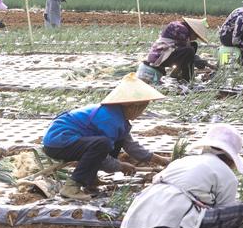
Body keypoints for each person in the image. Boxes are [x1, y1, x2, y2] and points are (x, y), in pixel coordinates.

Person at [118, 123, 243, 228]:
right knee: (240, 213)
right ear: (231, 158)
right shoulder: (227, 175)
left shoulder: (183, 162)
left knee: (194, 216)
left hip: (133, 226)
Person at [42, 73, 171, 201]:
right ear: (132, 106)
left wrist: (162, 160)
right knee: (102, 144)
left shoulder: (118, 117)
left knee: (115, 140)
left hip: (71, 141)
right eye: (142, 108)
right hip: (59, 142)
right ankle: (71, 187)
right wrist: (120, 166)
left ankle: (91, 179)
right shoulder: (110, 118)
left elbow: (131, 146)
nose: (141, 113)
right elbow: (103, 156)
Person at [144, 18, 214, 82]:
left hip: (164, 53)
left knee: (193, 45)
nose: (195, 38)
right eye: (196, 36)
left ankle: (177, 72)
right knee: (189, 50)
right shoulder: (181, 30)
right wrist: (203, 63)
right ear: (193, 31)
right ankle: (187, 79)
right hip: (158, 57)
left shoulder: (180, 26)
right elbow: (188, 53)